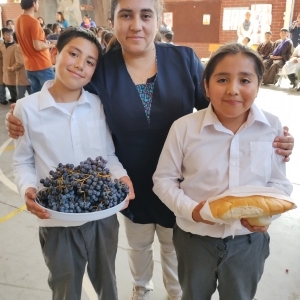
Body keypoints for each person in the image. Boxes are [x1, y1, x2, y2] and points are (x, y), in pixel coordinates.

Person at [5, 0, 295, 299]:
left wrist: (265, 134)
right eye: (126, 15)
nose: (136, 25)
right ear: (113, 19)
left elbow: (221, 106)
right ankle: (141, 290)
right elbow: (70, 94)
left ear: (158, 19)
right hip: (131, 185)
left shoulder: (183, 60)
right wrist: (25, 110)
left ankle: (174, 294)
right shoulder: (103, 67)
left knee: (176, 254)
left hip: (184, 187)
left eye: (146, 15)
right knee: (138, 248)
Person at [153, 43, 293, 300]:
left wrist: (266, 217)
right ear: (205, 86)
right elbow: (163, 180)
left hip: (248, 242)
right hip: (194, 239)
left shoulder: (271, 127)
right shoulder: (184, 128)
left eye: (245, 80)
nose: (233, 89)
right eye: (222, 79)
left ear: (258, 86)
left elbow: (279, 184)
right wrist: (191, 210)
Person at [12, 27, 134, 300]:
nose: (80, 65)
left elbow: (108, 157)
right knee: (65, 288)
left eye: (90, 62)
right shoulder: (27, 109)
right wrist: (27, 190)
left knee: (108, 285)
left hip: (103, 217)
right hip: (57, 221)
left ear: (94, 71)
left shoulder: (98, 105)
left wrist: (121, 176)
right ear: (55, 53)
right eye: (74, 54)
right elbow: (22, 162)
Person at [16, 0, 55, 94]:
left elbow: (30, 41)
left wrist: (47, 42)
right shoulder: (33, 22)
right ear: (33, 4)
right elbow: (37, 46)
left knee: (36, 97)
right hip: (42, 65)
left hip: (30, 66)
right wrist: (52, 45)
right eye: (37, 3)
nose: (38, 5)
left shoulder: (18, 20)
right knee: (52, 94)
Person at [9, 32, 31, 99]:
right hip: (31, 73)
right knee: (33, 95)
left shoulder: (19, 48)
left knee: (20, 97)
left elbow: (20, 62)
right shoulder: (29, 45)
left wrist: (12, 68)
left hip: (22, 74)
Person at [0, 28, 18, 104]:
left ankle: (14, 98)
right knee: (2, 84)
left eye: (11, 34)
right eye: (7, 34)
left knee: (12, 85)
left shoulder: (16, 46)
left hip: (12, 68)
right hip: (2, 67)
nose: (10, 36)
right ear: (3, 35)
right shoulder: (1, 45)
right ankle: (2, 99)